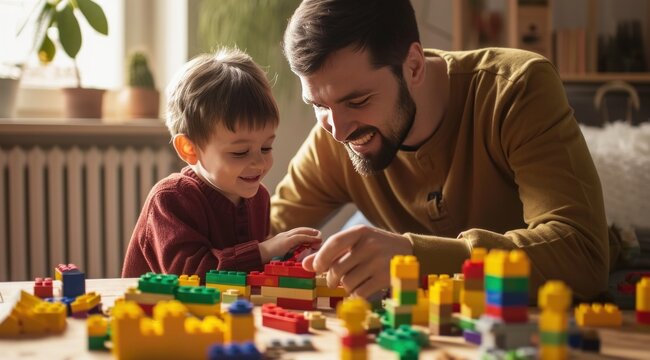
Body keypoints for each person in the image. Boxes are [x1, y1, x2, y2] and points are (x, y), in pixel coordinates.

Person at [272, 0, 611, 301]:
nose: (339, 130)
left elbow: (582, 254)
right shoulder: (333, 135)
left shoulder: (515, 90)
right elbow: (262, 233)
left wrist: (414, 257)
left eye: (358, 101)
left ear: (414, 66)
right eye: (317, 105)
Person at [122, 48, 321, 278]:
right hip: (159, 311)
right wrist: (264, 250)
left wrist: (288, 257)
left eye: (266, 147)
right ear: (190, 149)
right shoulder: (170, 199)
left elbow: (251, 270)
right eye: (240, 152)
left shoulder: (259, 198)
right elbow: (191, 275)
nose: (259, 162)